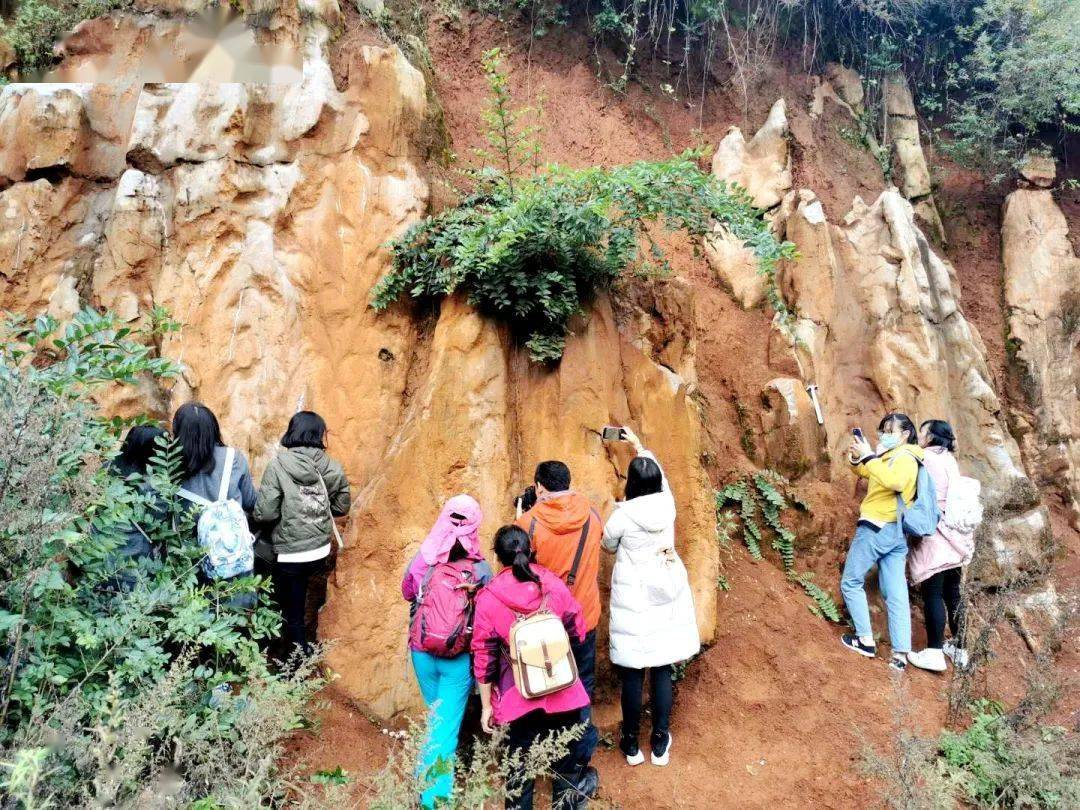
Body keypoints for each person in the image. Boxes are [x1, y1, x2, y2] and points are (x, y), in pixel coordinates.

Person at [472, 525, 591, 810]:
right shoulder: (552, 584)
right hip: (565, 693)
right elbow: (579, 632)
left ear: (498, 557)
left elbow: (484, 658)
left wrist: (487, 706)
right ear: (530, 550)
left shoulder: (489, 598)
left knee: (518, 776)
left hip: (519, 701)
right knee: (567, 771)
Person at [602, 427, 699, 767]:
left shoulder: (623, 516)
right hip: (663, 596)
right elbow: (663, 478)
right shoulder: (667, 505)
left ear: (630, 485)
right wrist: (640, 446)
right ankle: (660, 741)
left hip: (634, 601)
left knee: (632, 672)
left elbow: (607, 544)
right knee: (661, 669)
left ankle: (630, 743)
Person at [400, 495, 493, 809]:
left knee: (438, 717)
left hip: (422, 651)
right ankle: (434, 801)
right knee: (445, 729)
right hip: (458, 658)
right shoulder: (480, 568)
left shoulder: (425, 557)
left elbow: (407, 591)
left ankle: (423, 777)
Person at [515, 459, 602, 793]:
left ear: (539, 487)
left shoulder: (528, 524)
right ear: (571, 483)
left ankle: (539, 755)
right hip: (583, 620)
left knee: (540, 689)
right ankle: (572, 773)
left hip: (544, 627)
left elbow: (518, 567)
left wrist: (521, 516)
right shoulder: (593, 516)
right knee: (580, 691)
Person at [254, 411, 350, 659]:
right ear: (320, 435)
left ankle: (293, 656)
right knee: (302, 597)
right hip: (319, 552)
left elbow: (265, 513)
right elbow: (341, 508)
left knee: (289, 607)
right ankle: (298, 643)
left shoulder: (278, 465)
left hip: (289, 555)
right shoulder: (333, 466)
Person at [841, 412, 924, 671]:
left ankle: (865, 639)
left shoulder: (906, 458)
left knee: (851, 581)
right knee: (896, 592)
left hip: (877, 526)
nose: (885, 434)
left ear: (906, 434)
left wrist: (869, 457)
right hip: (896, 533)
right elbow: (865, 470)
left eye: (890, 430)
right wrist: (857, 456)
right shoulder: (892, 456)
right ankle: (900, 654)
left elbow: (895, 482)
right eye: (883, 430)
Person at [906, 420, 973, 672]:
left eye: (922, 432)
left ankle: (934, 651)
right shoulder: (949, 460)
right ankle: (960, 648)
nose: (919, 436)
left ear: (931, 436)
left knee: (932, 592)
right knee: (953, 592)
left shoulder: (926, 458)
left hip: (936, 533)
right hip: (956, 535)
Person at [102, 425, 169, 586]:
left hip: (100, 569)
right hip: (136, 574)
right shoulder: (156, 492)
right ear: (155, 454)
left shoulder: (106, 471)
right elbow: (161, 530)